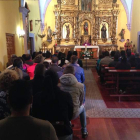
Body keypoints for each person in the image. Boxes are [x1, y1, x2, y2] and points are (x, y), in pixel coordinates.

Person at [32, 70, 73, 140]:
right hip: (63, 132)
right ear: (58, 81)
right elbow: (70, 116)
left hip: (42, 133)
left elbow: (34, 115)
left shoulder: (37, 97)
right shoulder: (66, 96)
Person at [59, 66, 88, 138]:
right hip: (74, 113)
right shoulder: (80, 85)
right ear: (74, 74)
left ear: (63, 73)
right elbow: (81, 101)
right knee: (82, 108)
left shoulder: (58, 84)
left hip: (60, 112)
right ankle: (84, 130)